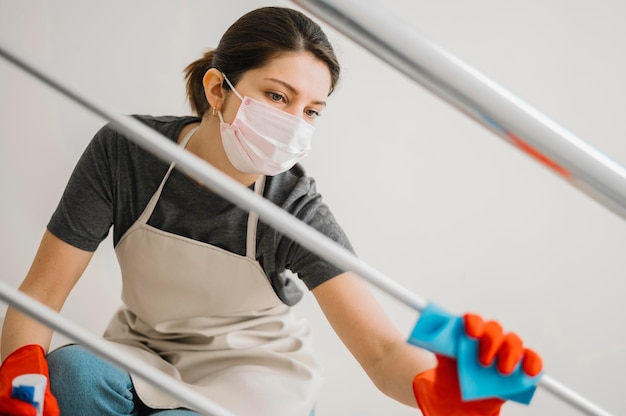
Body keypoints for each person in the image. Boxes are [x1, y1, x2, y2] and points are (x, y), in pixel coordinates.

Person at [0, 6, 542, 416]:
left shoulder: (294, 210)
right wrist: (17, 371)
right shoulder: (128, 153)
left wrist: (437, 389)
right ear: (218, 88)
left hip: (252, 380)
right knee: (67, 374)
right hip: (145, 351)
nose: (294, 122)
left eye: (311, 110)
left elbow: (380, 352)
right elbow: (43, 293)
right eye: (278, 97)